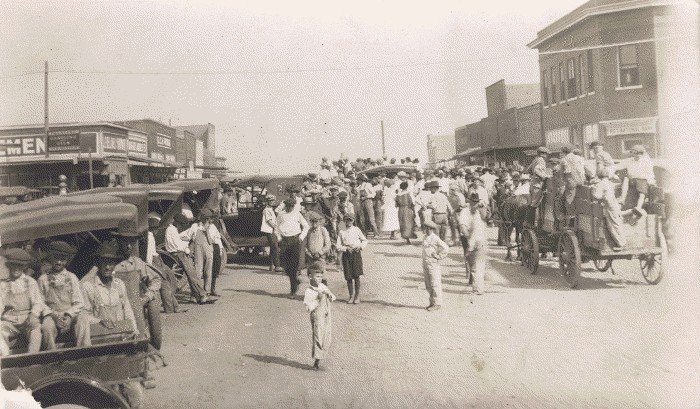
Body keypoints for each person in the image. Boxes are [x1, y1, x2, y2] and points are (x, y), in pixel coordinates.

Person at [37, 241, 91, 350]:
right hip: (53, 314)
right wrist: (53, 315)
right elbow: (40, 303)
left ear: (67, 260)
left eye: (62, 259)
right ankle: (51, 355)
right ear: (50, 258)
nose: (58, 261)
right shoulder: (43, 279)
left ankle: (84, 351)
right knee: (47, 327)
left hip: (70, 314)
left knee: (83, 320)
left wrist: (70, 316)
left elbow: (79, 302)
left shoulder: (72, 278)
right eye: (55, 257)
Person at [81, 241, 139, 335]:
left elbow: (127, 309)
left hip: (120, 331)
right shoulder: (88, 287)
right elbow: (83, 315)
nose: (107, 267)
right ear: (98, 264)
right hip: (99, 334)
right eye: (104, 263)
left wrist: (134, 329)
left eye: (111, 263)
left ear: (115, 264)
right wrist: (98, 321)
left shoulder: (119, 284)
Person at [0, 248, 46, 355]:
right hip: (10, 321)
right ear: (9, 266)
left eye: (19, 265)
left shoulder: (30, 282)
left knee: (36, 330)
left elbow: (38, 302)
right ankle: (6, 359)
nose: (16, 268)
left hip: (27, 320)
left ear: (24, 267)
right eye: (13, 265)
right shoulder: (3, 285)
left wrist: (33, 315)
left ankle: (31, 357)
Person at [164, 214, 212, 304]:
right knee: (192, 275)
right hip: (178, 253)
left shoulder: (172, 229)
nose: (181, 227)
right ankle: (202, 295)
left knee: (191, 275)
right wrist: (187, 250)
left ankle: (194, 296)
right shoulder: (171, 230)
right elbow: (177, 245)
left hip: (178, 252)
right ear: (177, 223)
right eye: (181, 225)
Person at [303, 262, 336, 370]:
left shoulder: (322, 286)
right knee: (318, 336)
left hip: (327, 314)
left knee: (327, 336)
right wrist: (318, 299)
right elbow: (308, 308)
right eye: (317, 277)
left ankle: (320, 357)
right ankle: (316, 361)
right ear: (310, 277)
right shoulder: (309, 291)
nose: (319, 279)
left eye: (321, 277)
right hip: (317, 315)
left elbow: (333, 296)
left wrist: (330, 295)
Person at [276, 197, 310, 297]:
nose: (290, 208)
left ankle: (293, 291)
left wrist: (301, 237)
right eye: (288, 206)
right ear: (285, 205)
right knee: (284, 265)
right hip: (284, 240)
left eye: (292, 206)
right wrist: (278, 237)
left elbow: (306, 226)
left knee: (293, 266)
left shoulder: (297, 214)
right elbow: (276, 227)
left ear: (294, 206)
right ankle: (295, 280)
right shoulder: (281, 214)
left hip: (295, 240)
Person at [459, 193, 488, 295]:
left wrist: (483, 208)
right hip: (468, 238)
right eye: (473, 202)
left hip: (478, 240)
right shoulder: (465, 211)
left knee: (478, 265)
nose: (475, 205)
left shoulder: (479, 212)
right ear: (469, 202)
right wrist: (469, 238)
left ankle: (477, 288)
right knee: (471, 263)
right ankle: (472, 281)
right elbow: (462, 226)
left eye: (476, 203)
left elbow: (485, 218)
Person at [592, 168, 626, 251]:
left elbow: (597, 196)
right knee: (616, 223)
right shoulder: (610, 183)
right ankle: (621, 242)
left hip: (609, 206)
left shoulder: (601, 184)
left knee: (612, 225)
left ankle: (621, 243)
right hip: (614, 205)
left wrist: (592, 190)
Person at [336, 214, 367, 304]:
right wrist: (345, 248)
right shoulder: (342, 232)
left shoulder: (357, 230)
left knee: (356, 275)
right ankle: (351, 295)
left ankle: (357, 296)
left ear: (353, 221)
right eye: (347, 220)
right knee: (348, 276)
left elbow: (364, 240)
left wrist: (360, 247)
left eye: (351, 220)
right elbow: (338, 245)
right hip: (347, 254)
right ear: (344, 221)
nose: (349, 222)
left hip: (356, 253)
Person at [620, 144, 655, 218]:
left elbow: (650, 173)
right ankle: (622, 199)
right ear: (632, 153)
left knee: (642, 190)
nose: (638, 155)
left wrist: (651, 182)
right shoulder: (629, 161)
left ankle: (638, 207)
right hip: (632, 181)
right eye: (636, 153)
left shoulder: (646, 161)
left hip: (642, 181)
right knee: (626, 178)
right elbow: (618, 166)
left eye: (640, 153)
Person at [421, 220, 449, 311]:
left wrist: (439, 256)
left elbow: (445, 247)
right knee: (428, 284)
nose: (427, 230)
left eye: (429, 229)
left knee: (435, 283)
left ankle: (437, 303)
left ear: (432, 229)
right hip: (426, 262)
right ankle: (432, 302)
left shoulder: (435, 238)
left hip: (433, 263)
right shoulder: (425, 237)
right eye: (426, 228)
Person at [261, 195, 283, 272]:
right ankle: (277, 266)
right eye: (270, 201)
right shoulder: (266, 210)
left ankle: (271, 265)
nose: (272, 202)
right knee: (275, 247)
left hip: (271, 230)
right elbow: (269, 221)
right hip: (269, 230)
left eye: (272, 201)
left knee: (272, 248)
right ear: (267, 201)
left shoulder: (271, 209)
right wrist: (275, 227)